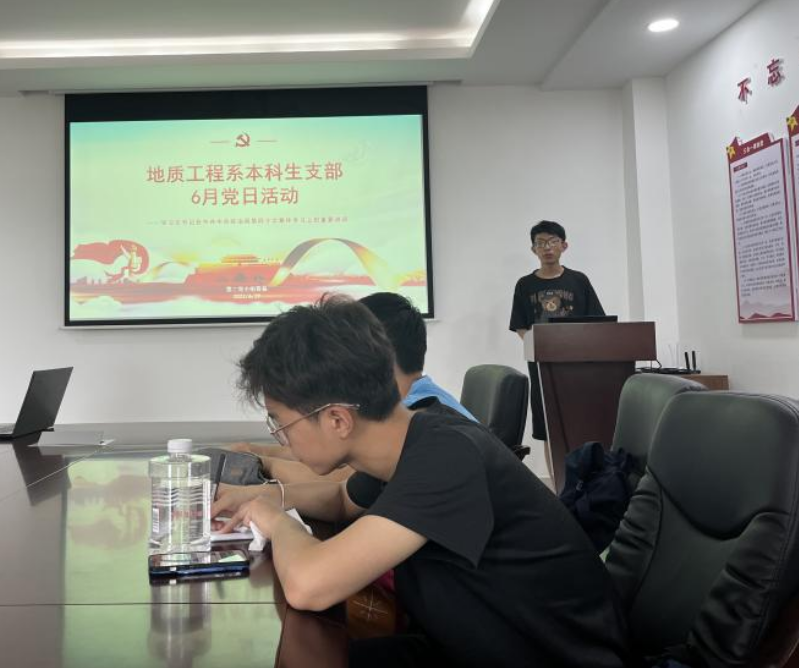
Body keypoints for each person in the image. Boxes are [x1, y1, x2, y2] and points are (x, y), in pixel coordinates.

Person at [215, 295, 629, 667]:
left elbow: (309, 585)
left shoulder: (448, 457)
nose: (281, 437)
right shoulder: (416, 436)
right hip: (466, 646)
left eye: (281, 424)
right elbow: (341, 499)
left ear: (337, 419)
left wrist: (275, 520)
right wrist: (252, 496)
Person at [229, 291, 476, 483]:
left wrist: (262, 463)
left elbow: (339, 479)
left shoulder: (427, 442)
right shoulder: (418, 412)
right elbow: (343, 492)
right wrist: (254, 453)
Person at [509, 220, 604, 442]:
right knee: (548, 429)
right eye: (540, 243)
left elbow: (597, 321)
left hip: (577, 365)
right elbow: (521, 326)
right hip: (542, 366)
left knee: (580, 423)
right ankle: (554, 468)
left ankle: (580, 466)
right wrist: (539, 347)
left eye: (553, 241)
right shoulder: (524, 285)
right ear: (533, 249)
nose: (547, 247)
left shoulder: (579, 280)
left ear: (564, 245)